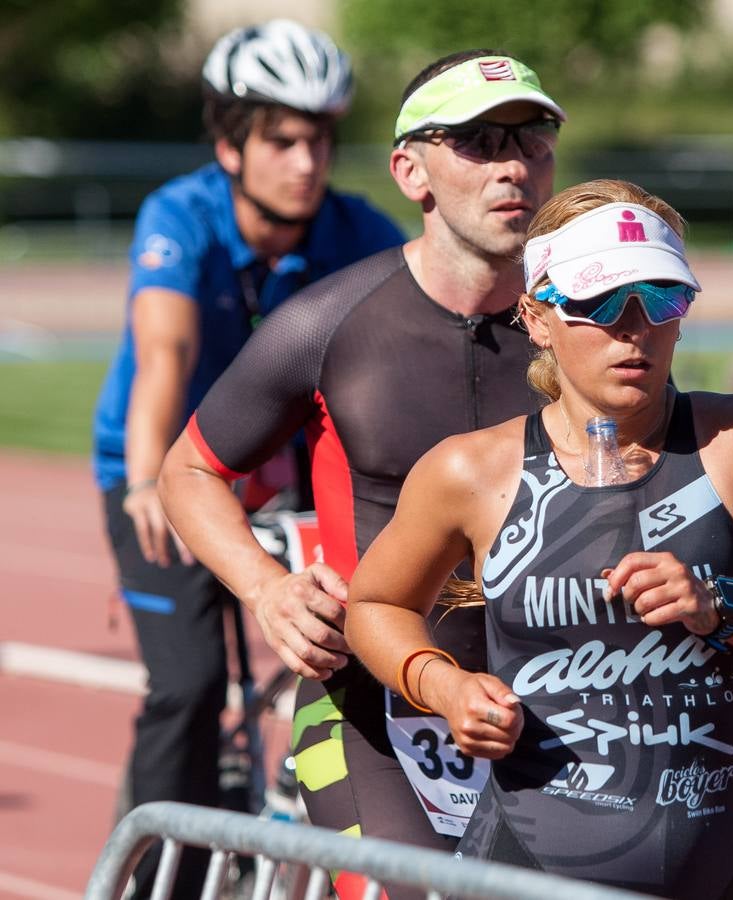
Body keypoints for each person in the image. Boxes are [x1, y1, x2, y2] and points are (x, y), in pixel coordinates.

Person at [345, 180, 733, 898]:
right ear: (537, 317)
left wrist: (723, 606)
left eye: (659, 300)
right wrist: (442, 686)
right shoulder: (469, 470)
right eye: (600, 303)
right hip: (518, 874)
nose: (633, 328)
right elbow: (374, 604)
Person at [158, 50, 565, 897]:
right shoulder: (327, 324)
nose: (512, 167)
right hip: (368, 711)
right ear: (409, 170)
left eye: (532, 141)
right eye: (479, 142)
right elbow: (190, 470)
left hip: (550, 705)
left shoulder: (583, 323)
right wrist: (266, 590)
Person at [91, 19, 404, 897]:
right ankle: (145, 875)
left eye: (321, 139)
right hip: (160, 461)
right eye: (282, 139)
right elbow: (164, 356)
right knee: (188, 686)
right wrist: (153, 478)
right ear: (231, 145)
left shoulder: (356, 230)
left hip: (296, 466)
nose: (306, 161)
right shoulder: (180, 216)